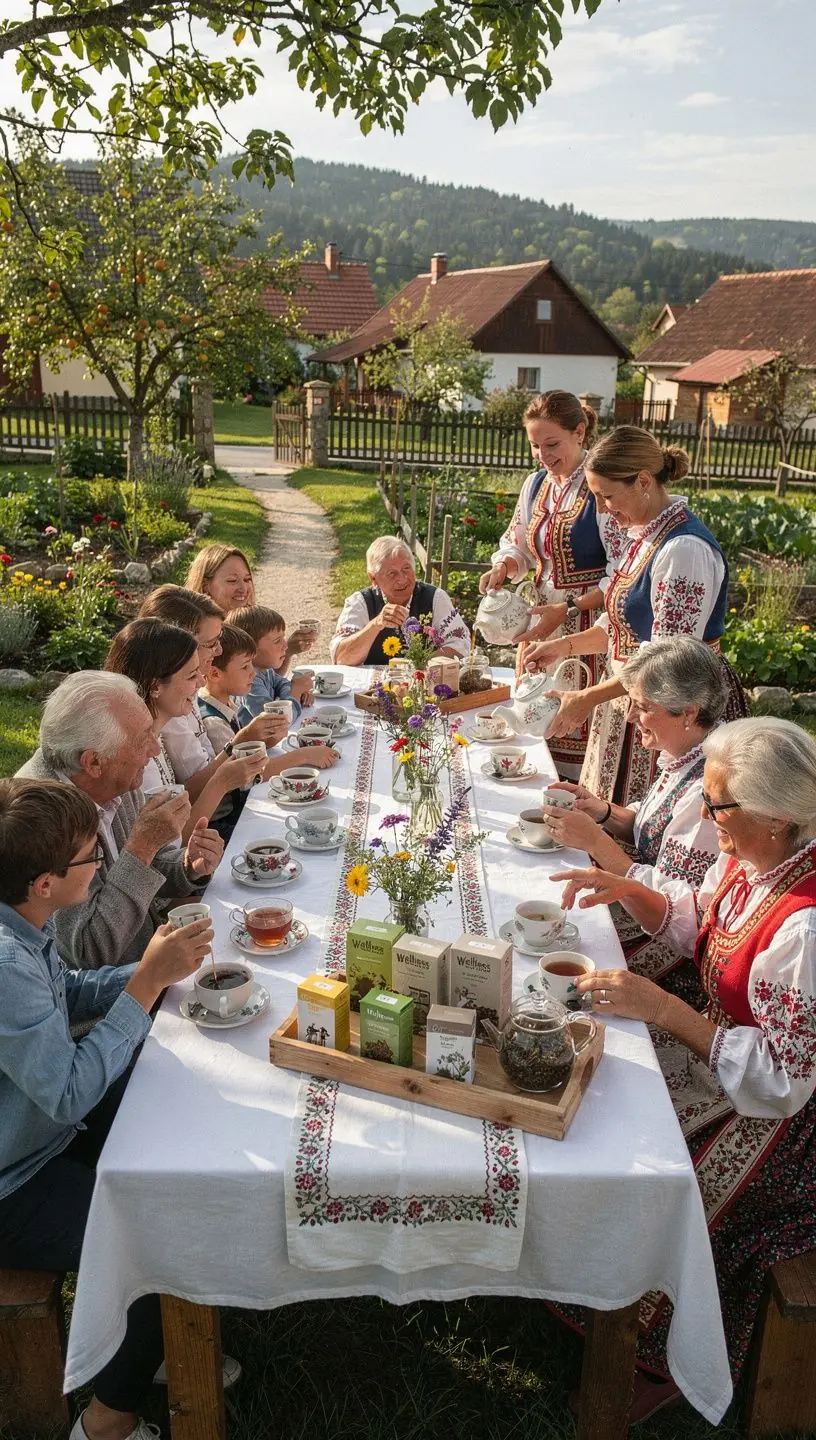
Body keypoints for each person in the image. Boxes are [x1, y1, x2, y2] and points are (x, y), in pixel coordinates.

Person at [552, 717, 816, 1415]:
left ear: (777, 816)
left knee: (654, 1181)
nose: (702, 813)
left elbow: (785, 1081)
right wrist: (626, 886)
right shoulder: (756, 860)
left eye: (717, 803)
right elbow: (700, 917)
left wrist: (665, 1010)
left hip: (783, 1120)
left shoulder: (806, 927)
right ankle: (589, 1288)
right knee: (588, 1082)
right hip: (724, 1053)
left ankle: (658, 1356)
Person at [0, 778, 233, 1440]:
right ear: (45, 883)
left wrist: (153, 968)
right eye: (90, 856)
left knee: (177, 1108)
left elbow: (66, 992)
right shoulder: (5, 964)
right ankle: (106, 1419)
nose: (102, 862)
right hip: (15, 1180)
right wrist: (148, 982)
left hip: (41, 1133)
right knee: (162, 1236)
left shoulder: (22, 922)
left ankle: (156, 1337)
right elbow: (69, 1091)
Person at [525, 425, 747, 807]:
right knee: (604, 812)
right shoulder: (644, 536)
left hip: (672, 712)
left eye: (607, 496)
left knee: (646, 820)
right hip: (630, 696)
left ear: (643, 481)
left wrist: (587, 697)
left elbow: (667, 664)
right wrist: (563, 646)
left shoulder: (684, 551)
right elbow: (621, 624)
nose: (602, 509)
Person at [16, 672, 221, 969]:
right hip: (109, 988)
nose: (154, 749)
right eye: (141, 740)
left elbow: (143, 870)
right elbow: (90, 951)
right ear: (93, 762)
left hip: (151, 961)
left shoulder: (115, 777)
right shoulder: (40, 820)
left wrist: (187, 865)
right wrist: (143, 847)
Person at [478, 390, 627, 779]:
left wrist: (570, 608)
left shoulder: (600, 490)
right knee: (533, 713)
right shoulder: (535, 486)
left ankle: (575, 796)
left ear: (579, 432)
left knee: (575, 723)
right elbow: (519, 544)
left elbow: (622, 574)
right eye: (535, 445)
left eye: (552, 444)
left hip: (587, 626)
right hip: (539, 621)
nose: (542, 455)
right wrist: (505, 566)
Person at [104, 620, 270, 841]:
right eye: (192, 676)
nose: (201, 682)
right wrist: (221, 782)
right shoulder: (133, 754)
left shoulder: (157, 734)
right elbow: (165, 844)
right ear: (155, 686)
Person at [137, 586, 289, 799]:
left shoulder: (189, 690)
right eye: (211, 643)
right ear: (175, 647)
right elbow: (192, 792)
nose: (219, 650)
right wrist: (240, 743)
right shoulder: (168, 704)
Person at [330, 536, 470, 667]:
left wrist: (419, 666)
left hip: (425, 682)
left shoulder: (435, 598)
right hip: (370, 685)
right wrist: (376, 624)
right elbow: (341, 658)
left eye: (406, 568)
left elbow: (460, 647)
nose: (402, 579)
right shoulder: (360, 602)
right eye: (392, 573)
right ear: (373, 578)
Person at [187, 544, 316, 671]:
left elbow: (263, 679)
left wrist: (289, 650)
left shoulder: (246, 625)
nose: (243, 588)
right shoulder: (196, 640)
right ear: (205, 588)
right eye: (232, 581)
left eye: (247, 579)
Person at [226, 605, 314, 724]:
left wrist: (296, 693)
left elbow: (282, 683)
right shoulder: (249, 681)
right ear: (251, 649)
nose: (285, 645)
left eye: (283, 638)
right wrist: (295, 694)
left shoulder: (265, 669)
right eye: (277, 641)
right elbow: (276, 721)